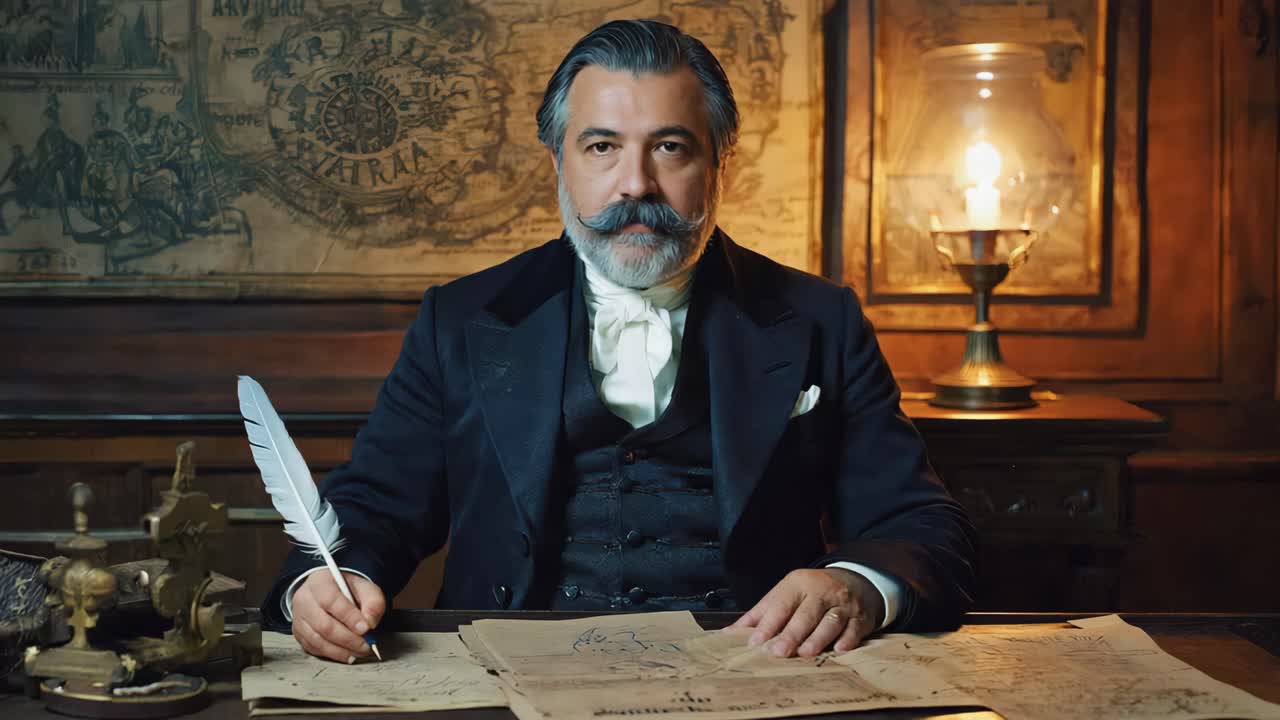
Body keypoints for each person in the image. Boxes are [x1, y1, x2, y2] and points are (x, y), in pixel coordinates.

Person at [262, 19, 976, 664]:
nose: (636, 184)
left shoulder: (822, 318)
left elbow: (919, 523)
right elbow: (377, 505)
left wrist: (857, 583)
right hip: (506, 684)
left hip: (756, 678)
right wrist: (334, 583)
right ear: (558, 160)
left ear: (720, 160)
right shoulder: (460, 318)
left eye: (670, 147)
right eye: (602, 146)